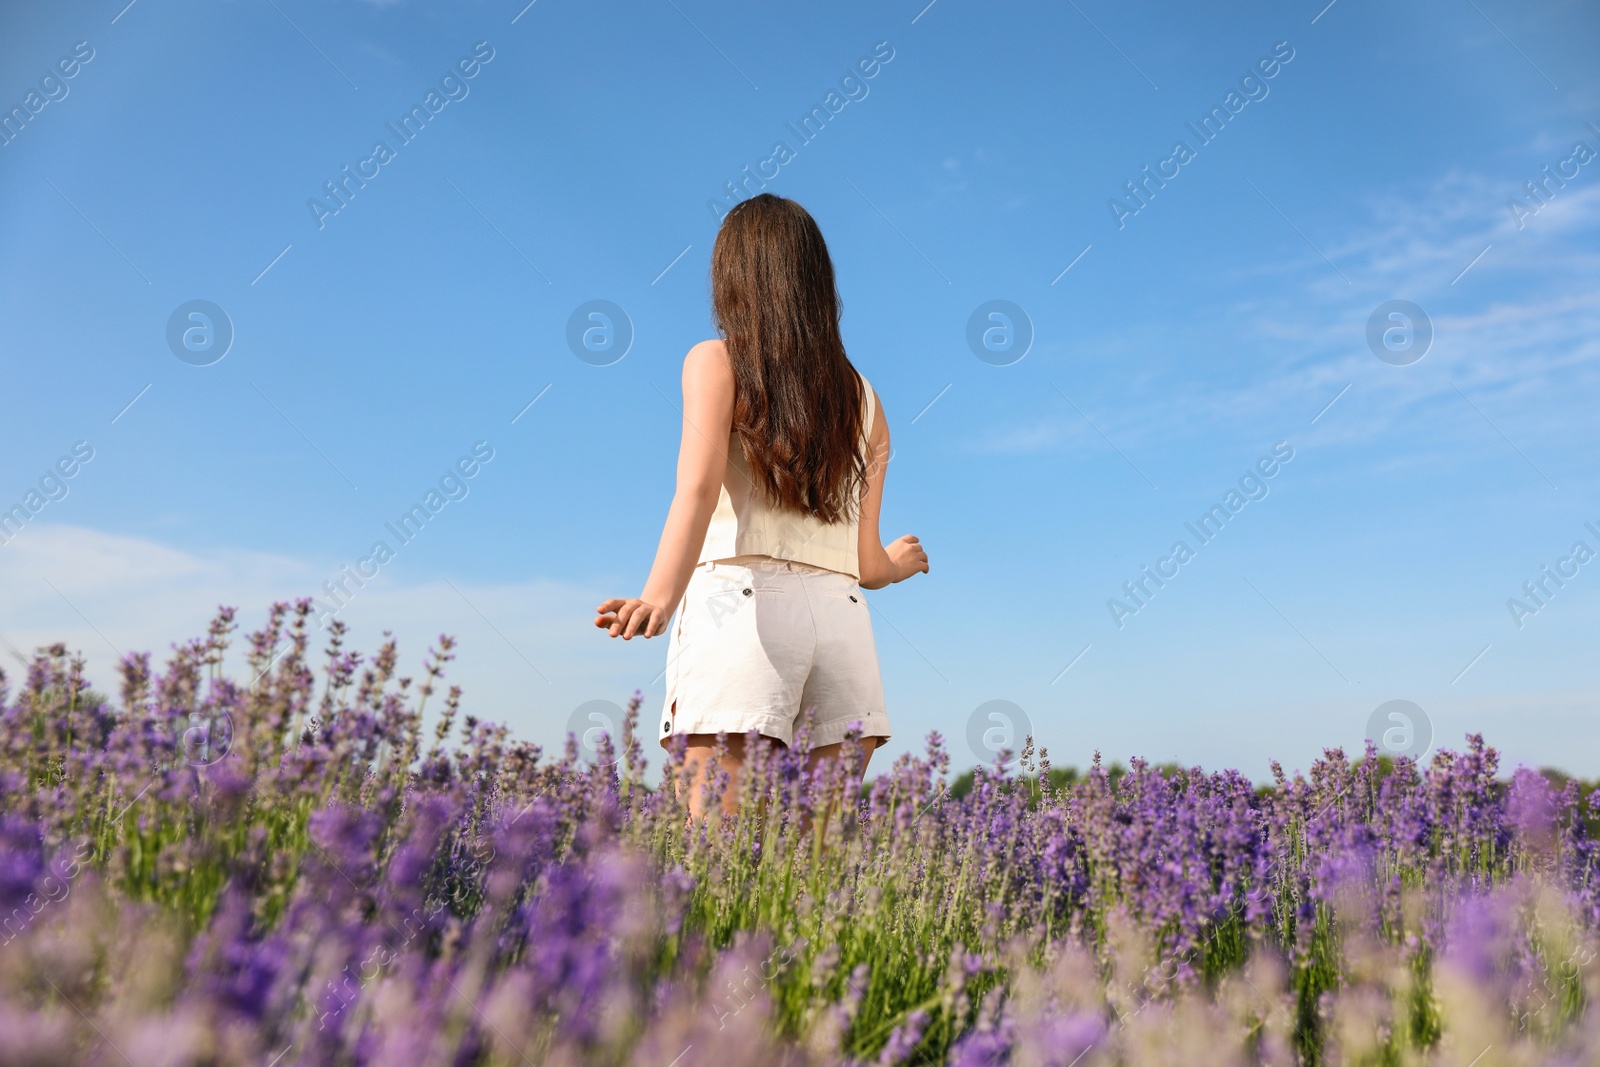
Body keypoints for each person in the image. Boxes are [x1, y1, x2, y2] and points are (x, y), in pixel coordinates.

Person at [594, 193, 929, 818]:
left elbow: (694, 491)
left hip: (740, 609)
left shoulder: (717, 361)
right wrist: (899, 562)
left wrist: (657, 599)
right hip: (842, 620)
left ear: (733, 278)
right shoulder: (866, 400)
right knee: (819, 874)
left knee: (715, 865)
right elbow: (867, 567)